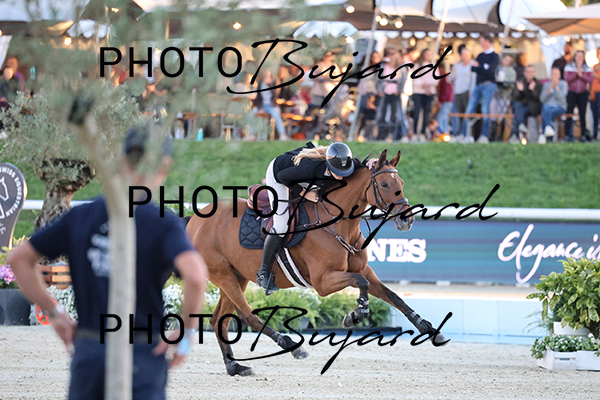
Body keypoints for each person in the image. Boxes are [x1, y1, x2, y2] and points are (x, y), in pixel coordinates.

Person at [8, 126, 208, 400]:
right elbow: (195, 276)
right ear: (163, 166)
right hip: (142, 350)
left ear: (122, 160)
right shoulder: (162, 223)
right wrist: (185, 331)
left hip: (91, 348)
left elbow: (18, 259)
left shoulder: (83, 216)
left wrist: (54, 313)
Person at [256, 142, 359, 294]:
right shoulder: (309, 168)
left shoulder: (344, 164)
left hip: (301, 174)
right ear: (329, 166)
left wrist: (372, 162)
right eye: (337, 172)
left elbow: (361, 167)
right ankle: (263, 273)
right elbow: (283, 177)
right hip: (279, 174)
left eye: (344, 171)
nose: (341, 175)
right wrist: (304, 192)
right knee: (282, 224)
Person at [465, 34, 500, 143]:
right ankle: (465, 134)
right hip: (478, 85)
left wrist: (481, 68)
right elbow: (473, 68)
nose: (480, 43)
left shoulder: (494, 56)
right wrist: (483, 67)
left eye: (481, 41)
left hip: (489, 85)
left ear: (487, 41)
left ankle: (484, 135)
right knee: (469, 108)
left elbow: (491, 70)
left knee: (485, 109)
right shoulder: (480, 55)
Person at [564, 50, 594, 142]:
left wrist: (581, 75)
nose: (579, 58)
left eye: (581, 56)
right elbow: (567, 78)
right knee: (569, 112)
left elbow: (590, 79)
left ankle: (583, 134)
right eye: (578, 56)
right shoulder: (569, 67)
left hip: (583, 92)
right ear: (575, 57)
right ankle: (567, 134)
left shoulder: (587, 68)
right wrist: (576, 74)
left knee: (582, 113)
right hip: (572, 92)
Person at [448, 44, 475, 140]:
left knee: (467, 114)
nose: (464, 56)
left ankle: (467, 133)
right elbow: (449, 78)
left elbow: (473, 80)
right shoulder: (457, 66)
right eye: (463, 54)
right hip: (458, 92)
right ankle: (459, 133)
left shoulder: (472, 65)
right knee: (459, 114)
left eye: (466, 55)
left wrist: (471, 91)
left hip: (467, 92)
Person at [254, 69, 289, 141]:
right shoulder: (260, 83)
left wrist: (268, 84)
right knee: (251, 114)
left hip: (271, 106)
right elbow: (258, 97)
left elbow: (275, 94)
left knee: (277, 116)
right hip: (262, 106)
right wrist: (260, 108)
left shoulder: (273, 82)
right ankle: (252, 135)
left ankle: (282, 135)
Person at [377, 49, 404, 141]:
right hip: (384, 93)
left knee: (394, 115)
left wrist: (399, 90)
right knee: (382, 114)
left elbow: (402, 81)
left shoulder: (400, 69)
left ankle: (394, 134)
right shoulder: (383, 66)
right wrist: (380, 90)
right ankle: (381, 135)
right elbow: (379, 79)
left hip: (394, 94)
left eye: (393, 54)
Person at [412, 48, 437, 142]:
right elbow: (415, 78)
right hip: (419, 91)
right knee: (417, 112)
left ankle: (423, 133)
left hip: (429, 92)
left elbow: (436, 79)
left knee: (426, 113)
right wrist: (424, 85)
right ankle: (415, 132)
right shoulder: (417, 65)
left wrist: (428, 86)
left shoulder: (433, 65)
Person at [512, 65, 541, 142]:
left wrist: (531, 90)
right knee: (518, 107)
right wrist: (520, 91)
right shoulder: (520, 82)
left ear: (534, 73)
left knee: (518, 111)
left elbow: (537, 98)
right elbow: (515, 97)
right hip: (522, 106)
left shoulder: (538, 84)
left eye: (531, 72)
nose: (529, 74)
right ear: (524, 73)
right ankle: (521, 127)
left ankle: (516, 134)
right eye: (528, 72)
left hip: (533, 107)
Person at [540, 67, 568, 142]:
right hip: (548, 106)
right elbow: (542, 99)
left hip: (559, 106)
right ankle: (548, 128)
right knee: (546, 109)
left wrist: (556, 88)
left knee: (546, 112)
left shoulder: (563, 84)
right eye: (552, 74)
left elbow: (562, 98)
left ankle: (544, 134)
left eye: (556, 74)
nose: (554, 76)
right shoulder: (546, 85)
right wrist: (549, 89)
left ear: (559, 75)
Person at [493, 54, 517, 142]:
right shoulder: (498, 68)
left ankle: (504, 137)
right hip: (497, 95)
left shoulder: (511, 71)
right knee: (495, 115)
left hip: (505, 96)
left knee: (503, 115)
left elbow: (511, 84)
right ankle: (495, 135)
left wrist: (504, 84)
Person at [436, 63, 454, 136]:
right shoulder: (442, 78)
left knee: (443, 117)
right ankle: (443, 131)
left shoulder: (445, 78)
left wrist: (441, 100)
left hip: (446, 100)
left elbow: (447, 91)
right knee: (443, 116)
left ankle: (444, 131)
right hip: (445, 100)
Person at [590, 48, 600, 141]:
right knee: (595, 115)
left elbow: (594, 76)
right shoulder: (595, 67)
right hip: (594, 94)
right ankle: (595, 134)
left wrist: (596, 75)